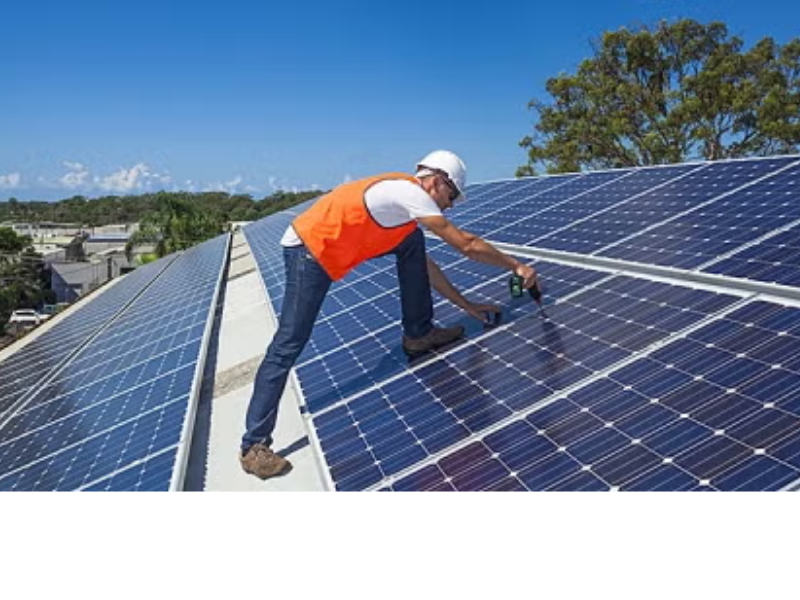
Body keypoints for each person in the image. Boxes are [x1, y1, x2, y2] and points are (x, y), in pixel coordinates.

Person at [240, 150, 538, 479]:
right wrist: (517, 266)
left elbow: (427, 269)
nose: (450, 205)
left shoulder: (404, 215)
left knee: (412, 244)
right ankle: (253, 446)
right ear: (437, 182)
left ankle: (418, 334)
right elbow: (465, 245)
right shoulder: (408, 193)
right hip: (309, 250)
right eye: (451, 196)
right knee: (289, 341)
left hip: (334, 247)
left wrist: (467, 305)